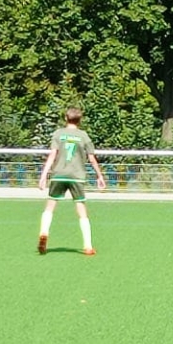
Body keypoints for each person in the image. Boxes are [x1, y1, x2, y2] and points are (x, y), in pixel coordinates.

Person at [38, 106, 106, 256]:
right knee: (81, 209)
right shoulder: (83, 136)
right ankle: (88, 246)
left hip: (59, 175)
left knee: (50, 205)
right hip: (76, 176)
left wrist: (43, 175)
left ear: (65, 118)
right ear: (80, 120)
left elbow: (52, 155)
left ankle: (44, 232)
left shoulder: (58, 134)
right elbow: (91, 158)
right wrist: (99, 176)